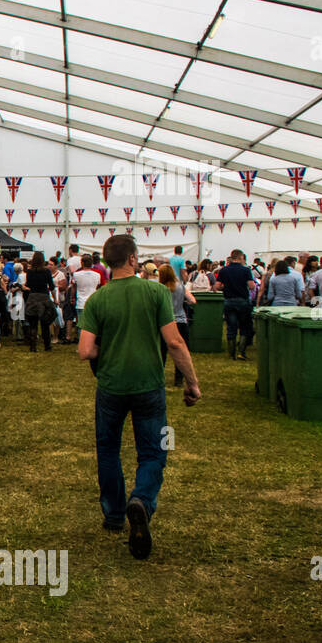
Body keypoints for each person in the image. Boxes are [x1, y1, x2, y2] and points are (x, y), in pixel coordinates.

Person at [77, 235, 200, 560]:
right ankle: (142, 500)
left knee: (108, 450)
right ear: (133, 259)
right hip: (148, 386)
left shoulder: (97, 301)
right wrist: (192, 383)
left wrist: (111, 347)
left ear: (106, 262)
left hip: (111, 387)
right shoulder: (156, 292)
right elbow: (174, 343)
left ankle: (115, 514)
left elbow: (85, 350)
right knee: (153, 451)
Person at [214, 249, 256, 360]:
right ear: (241, 257)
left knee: (231, 327)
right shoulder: (246, 270)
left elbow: (217, 286)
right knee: (244, 327)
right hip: (242, 301)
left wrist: (226, 286)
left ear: (232, 257)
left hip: (229, 300)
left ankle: (231, 353)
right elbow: (251, 286)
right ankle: (241, 352)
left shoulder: (224, 270)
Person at [158, 264, 195, 387]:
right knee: (180, 351)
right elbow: (192, 300)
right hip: (180, 321)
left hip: (164, 322)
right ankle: (178, 379)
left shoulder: (160, 288)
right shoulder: (180, 287)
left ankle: (159, 377)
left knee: (161, 351)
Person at [23, 252, 54, 352]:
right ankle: (47, 346)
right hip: (44, 297)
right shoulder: (47, 271)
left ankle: (33, 347)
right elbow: (52, 286)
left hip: (32, 297)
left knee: (33, 324)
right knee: (45, 324)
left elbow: (28, 285)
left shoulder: (30, 271)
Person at [73, 254, 102, 330]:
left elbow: (74, 288)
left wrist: (72, 298)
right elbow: (98, 288)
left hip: (81, 302)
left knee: (81, 325)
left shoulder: (76, 275)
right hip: (93, 302)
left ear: (82, 263)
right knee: (92, 325)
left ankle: (81, 341)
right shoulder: (97, 275)